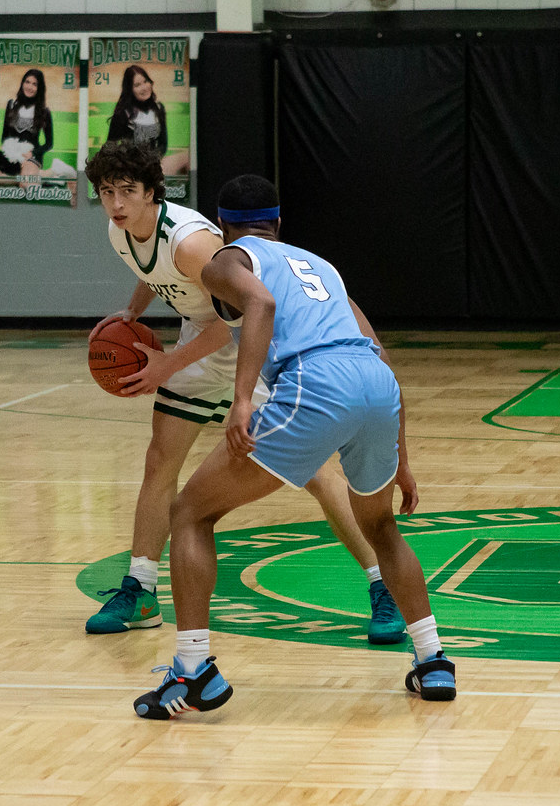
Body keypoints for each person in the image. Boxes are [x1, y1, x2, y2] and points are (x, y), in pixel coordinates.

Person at [133, 174, 456, 720]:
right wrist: (402, 458)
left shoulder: (226, 260)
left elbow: (257, 303)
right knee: (381, 526)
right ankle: (433, 661)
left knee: (190, 512)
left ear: (221, 225)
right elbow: (376, 351)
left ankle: (193, 673)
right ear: (279, 223)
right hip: (375, 388)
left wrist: (241, 400)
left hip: (316, 383)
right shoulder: (320, 266)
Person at [83, 142, 406, 648]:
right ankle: (140, 590)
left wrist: (166, 364)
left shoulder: (193, 243)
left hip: (243, 342)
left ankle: (381, 585)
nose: (117, 203)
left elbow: (235, 320)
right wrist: (131, 313)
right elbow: (154, 273)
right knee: (159, 459)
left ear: (153, 193)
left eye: (128, 192)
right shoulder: (118, 231)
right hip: (200, 337)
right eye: (107, 193)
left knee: (319, 476)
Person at [0, 68, 76, 186]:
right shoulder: (11, 105)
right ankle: (47, 177)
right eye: (27, 82)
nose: (29, 87)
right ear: (22, 83)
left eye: (34, 84)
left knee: (26, 186)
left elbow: (49, 144)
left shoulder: (44, 112)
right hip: (12, 155)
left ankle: (55, 169)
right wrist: (14, 152)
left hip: (31, 156)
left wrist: (32, 153)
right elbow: (4, 137)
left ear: (39, 88)